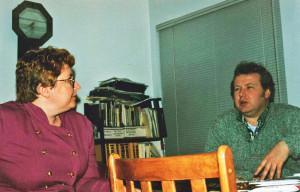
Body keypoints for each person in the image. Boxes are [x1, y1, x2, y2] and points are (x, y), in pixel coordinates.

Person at [0, 46, 110, 191]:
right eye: (70, 79)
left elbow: (85, 183)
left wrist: (121, 186)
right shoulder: (5, 120)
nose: (77, 86)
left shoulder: (81, 125)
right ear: (44, 89)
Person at [205, 61, 300, 181]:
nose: (241, 94)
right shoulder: (221, 124)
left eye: (249, 87)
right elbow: (210, 168)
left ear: (267, 92)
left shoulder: (291, 116)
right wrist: (249, 178)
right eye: (237, 89)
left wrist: (287, 145)